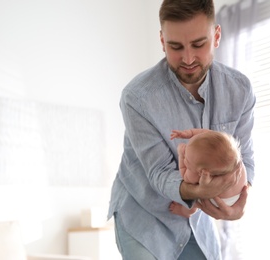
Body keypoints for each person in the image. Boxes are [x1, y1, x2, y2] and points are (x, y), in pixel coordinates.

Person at [107, 0, 256, 259]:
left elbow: (246, 160)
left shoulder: (240, 90)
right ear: (163, 41)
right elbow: (159, 172)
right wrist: (199, 192)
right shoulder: (137, 98)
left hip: (197, 221)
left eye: (199, 44)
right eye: (176, 47)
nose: (188, 59)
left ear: (216, 36)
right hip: (144, 215)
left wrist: (240, 200)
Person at [169, 129, 247, 218]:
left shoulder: (201, 174)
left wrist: (181, 154)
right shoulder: (227, 150)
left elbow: (185, 175)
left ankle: (186, 211)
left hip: (220, 202)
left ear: (201, 172)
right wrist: (190, 133)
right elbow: (206, 134)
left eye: (187, 161)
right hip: (238, 192)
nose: (185, 159)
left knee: (195, 199)